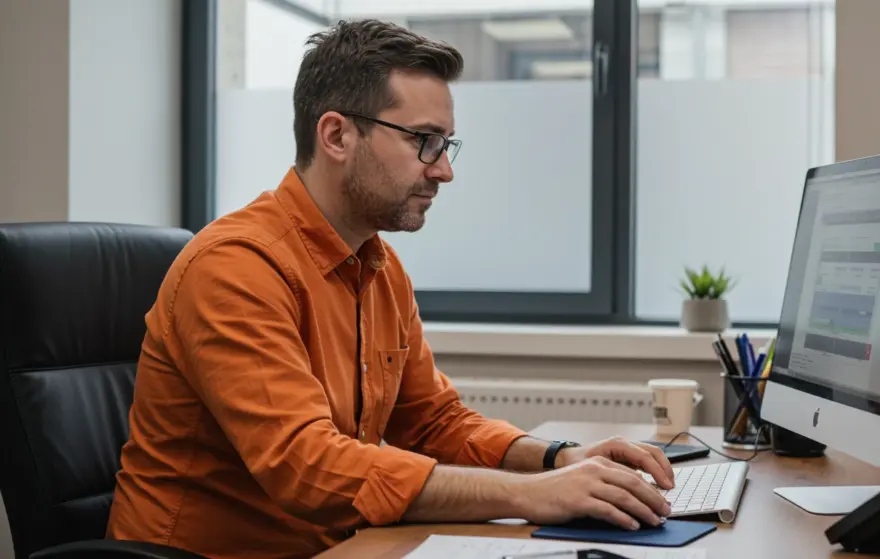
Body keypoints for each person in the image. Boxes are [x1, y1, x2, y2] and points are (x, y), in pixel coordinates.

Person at [107, 19, 675, 559]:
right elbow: (305, 465)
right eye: (424, 141)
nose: (443, 171)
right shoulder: (236, 266)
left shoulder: (380, 268)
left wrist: (558, 459)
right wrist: (530, 494)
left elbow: (432, 422)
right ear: (336, 135)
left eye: (446, 145)